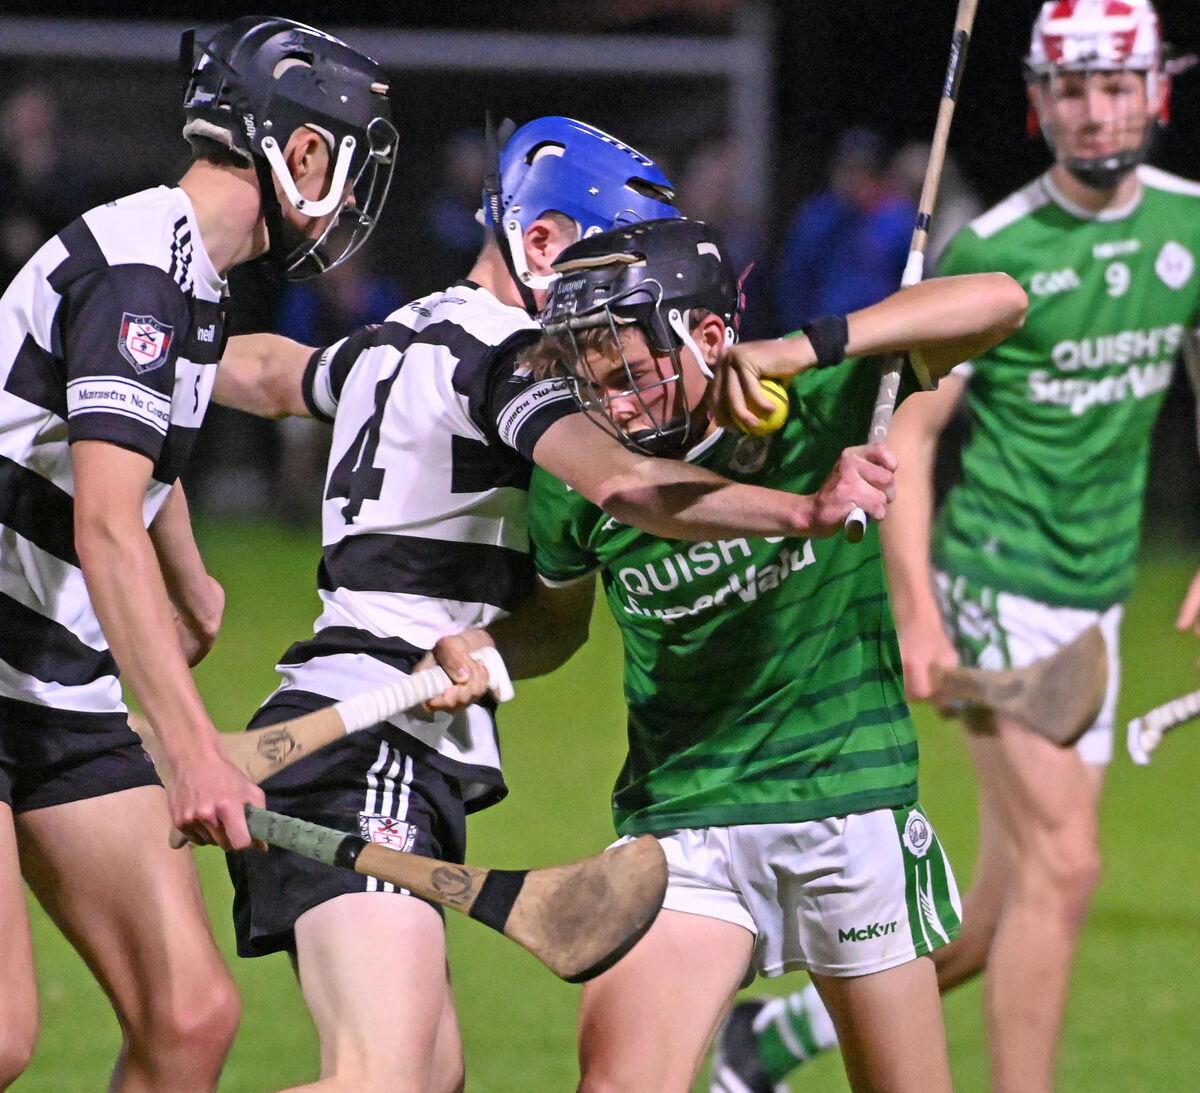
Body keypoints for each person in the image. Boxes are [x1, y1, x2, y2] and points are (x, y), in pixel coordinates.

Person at [214, 116, 912, 1093]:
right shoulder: (519, 363)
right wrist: (803, 506)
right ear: (539, 244)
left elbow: (266, 371)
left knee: (426, 1079)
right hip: (372, 736)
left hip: (357, 729)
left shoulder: (398, 333)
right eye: (604, 260)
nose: (616, 309)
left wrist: (130, 346)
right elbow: (628, 486)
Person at [714, 3, 1200, 1092]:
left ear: (1155, 93)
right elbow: (918, 440)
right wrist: (924, 612)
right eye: (1070, 88)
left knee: (989, 922)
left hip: (1098, 600)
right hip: (993, 583)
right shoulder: (999, 247)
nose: (1094, 108)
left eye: (1116, 84)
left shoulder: (1190, 225)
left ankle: (774, 1038)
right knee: (1066, 868)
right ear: (1038, 102)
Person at [463, 216, 1025, 1093]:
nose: (609, 402)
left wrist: (801, 351)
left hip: (848, 802)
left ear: (711, 336)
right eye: (590, 376)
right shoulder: (584, 478)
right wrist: (488, 649)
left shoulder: (824, 406)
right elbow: (558, 625)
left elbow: (1001, 302)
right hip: (685, 821)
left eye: (628, 369)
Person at [0, 16, 399, 1091]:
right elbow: (102, 522)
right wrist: (195, 744)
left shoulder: (190, 278)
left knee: (188, 1014)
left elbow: (127, 449)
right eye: (350, 162)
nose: (352, 199)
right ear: (301, 153)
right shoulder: (138, 270)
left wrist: (192, 578)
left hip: (46, 676)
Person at [775, 126, 916, 333]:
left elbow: (912, 283)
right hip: (823, 336)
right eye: (847, 170)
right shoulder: (817, 218)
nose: (852, 181)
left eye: (861, 171)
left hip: (881, 334)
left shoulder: (898, 220)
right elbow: (794, 284)